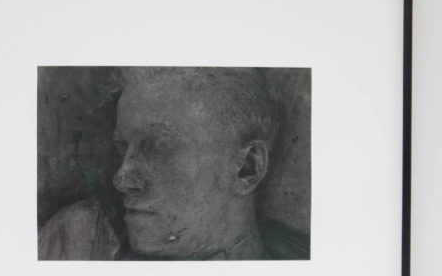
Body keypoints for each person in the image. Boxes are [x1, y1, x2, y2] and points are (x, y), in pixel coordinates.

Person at [38, 67, 309, 260]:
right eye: (122, 147)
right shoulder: (80, 239)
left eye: (160, 146)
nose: (121, 178)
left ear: (246, 168)